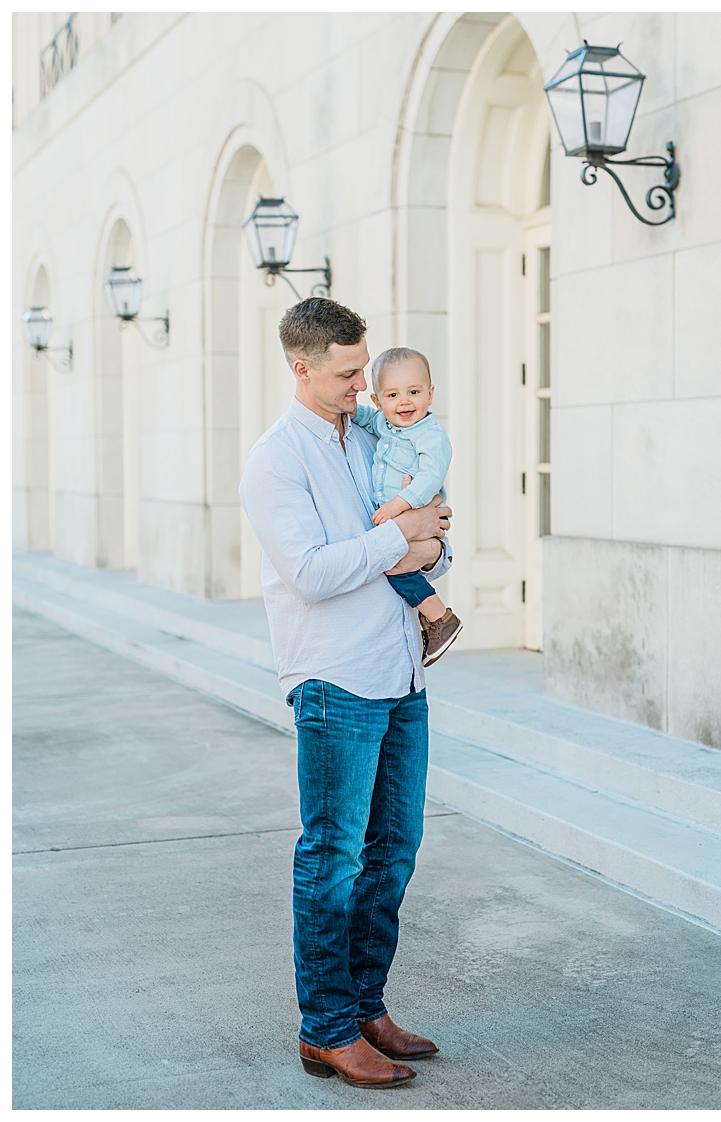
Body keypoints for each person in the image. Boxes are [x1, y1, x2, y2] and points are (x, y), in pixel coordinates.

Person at [239, 298, 453, 1089]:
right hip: (335, 679)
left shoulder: (370, 436)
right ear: (302, 368)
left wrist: (422, 541)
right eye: (348, 373)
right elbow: (313, 572)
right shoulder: (275, 460)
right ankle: (325, 1028)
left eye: (364, 368)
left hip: (401, 671)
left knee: (393, 853)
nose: (365, 384)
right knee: (333, 858)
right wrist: (400, 538)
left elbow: (433, 535)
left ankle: (366, 1007)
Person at [352, 345, 463, 665]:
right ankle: (430, 619)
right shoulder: (386, 424)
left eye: (414, 392)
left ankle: (440, 618)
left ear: (430, 393)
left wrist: (399, 506)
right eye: (392, 395)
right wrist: (349, 411)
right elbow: (367, 418)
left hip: (414, 511)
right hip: (399, 518)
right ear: (378, 401)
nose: (404, 402)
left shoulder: (430, 435)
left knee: (396, 566)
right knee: (398, 565)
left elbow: (430, 477)